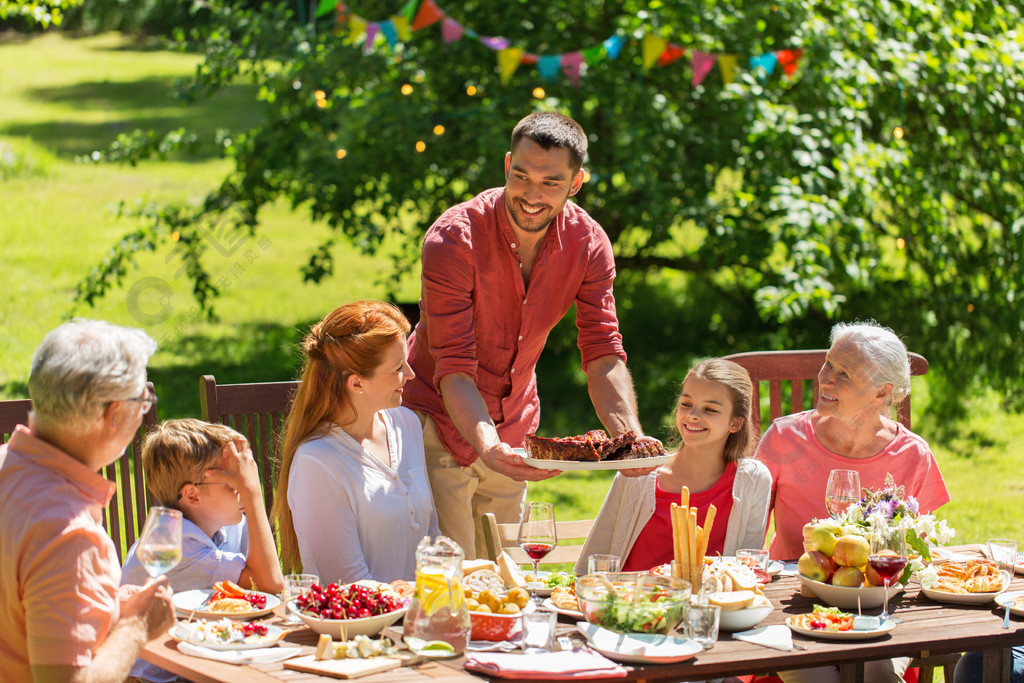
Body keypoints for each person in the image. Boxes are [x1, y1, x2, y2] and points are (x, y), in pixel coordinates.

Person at [404, 110, 655, 559]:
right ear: (506, 166)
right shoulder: (452, 240)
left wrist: (629, 440)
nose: (531, 195)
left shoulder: (589, 243)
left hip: (515, 420)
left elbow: (602, 352)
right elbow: (454, 367)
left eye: (550, 183)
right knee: (451, 575)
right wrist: (487, 445)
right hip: (436, 419)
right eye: (521, 176)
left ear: (576, 183)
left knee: (504, 572)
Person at [755, 321, 950, 683]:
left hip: (877, 610)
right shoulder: (784, 438)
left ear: (881, 393)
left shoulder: (913, 455)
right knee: (819, 677)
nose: (825, 379)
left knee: (878, 674)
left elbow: (922, 556)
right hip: (794, 604)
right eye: (828, 363)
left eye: (844, 374)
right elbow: (748, 543)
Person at [0, 319, 175, 683]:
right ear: (113, 413)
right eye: (143, 400)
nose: (145, 411)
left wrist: (106, 607)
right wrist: (136, 627)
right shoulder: (69, 534)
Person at [273, 300, 439, 584]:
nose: (410, 375)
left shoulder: (406, 424)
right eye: (399, 367)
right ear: (357, 383)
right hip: (359, 624)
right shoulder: (317, 462)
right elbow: (348, 584)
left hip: (421, 615)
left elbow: (433, 540)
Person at [121, 418, 284, 682]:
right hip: (154, 678)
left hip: (199, 659)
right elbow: (269, 584)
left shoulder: (225, 522)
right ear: (193, 496)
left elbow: (256, 593)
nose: (244, 490)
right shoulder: (179, 547)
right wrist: (253, 493)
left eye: (244, 482)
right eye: (235, 485)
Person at [575, 358, 770, 574]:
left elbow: (747, 572)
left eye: (710, 409)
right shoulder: (638, 474)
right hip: (633, 601)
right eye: (686, 404)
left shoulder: (753, 480)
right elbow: (590, 565)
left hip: (708, 605)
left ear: (735, 423)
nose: (693, 415)